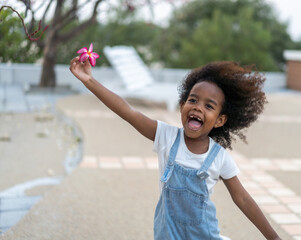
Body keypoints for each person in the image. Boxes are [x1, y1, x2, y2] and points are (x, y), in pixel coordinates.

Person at [69, 57, 281, 240]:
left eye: (209, 106)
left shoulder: (219, 157)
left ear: (219, 120)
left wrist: (273, 237)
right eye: (193, 100)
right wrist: (89, 81)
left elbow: (242, 198)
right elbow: (129, 112)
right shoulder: (166, 136)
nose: (198, 107)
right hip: (167, 233)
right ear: (182, 106)